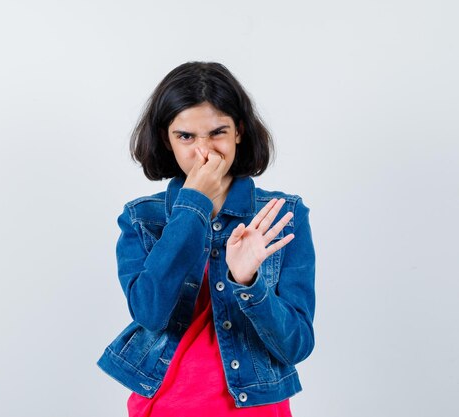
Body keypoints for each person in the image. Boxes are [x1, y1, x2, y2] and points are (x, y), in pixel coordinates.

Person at [97, 62, 316, 416]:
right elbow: (150, 312)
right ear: (166, 139)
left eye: (217, 132)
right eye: (185, 136)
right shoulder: (141, 218)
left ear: (239, 132)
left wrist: (249, 282)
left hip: (255, 408)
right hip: (164, 405)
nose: (204, 151)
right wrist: (192, 206)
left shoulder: (282, 214)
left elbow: (297, 346)